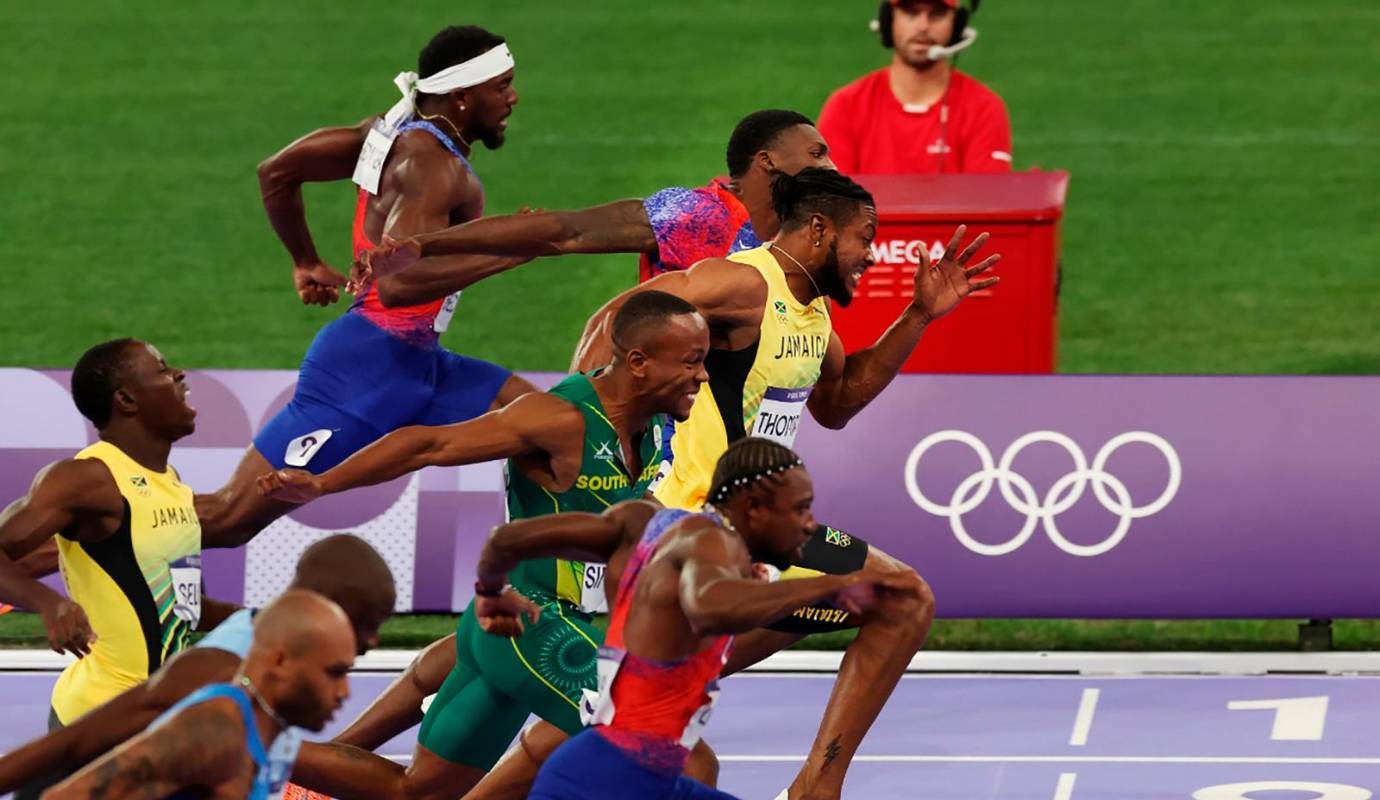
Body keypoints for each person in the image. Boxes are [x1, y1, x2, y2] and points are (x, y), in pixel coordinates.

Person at [563, 167, 995, 799]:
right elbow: (623, 314)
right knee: (623, 740)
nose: (872, 256)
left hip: (758, 537)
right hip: (690, 533)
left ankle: (815, 788)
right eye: (864, 238)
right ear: (819, 230)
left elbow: (839, 402)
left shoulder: (813, 315)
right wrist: (591, 427)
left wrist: (918, 316)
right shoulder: (743, 283)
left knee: (901, 599)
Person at [256, 291, 712, 799]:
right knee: (679, 755)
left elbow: (628, 515)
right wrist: (323, 484)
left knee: (417, 792)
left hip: (538, 629)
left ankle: (254, 747)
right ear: (639, 362)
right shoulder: (560, 419)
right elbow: (428, 444)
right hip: (529, 623)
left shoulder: (654, 427)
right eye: (692, 362)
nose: (704, 375)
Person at [195, 24, 538, 550]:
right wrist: (510, 252)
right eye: (502, 87)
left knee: (546, 427)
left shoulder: (387, 131)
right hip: (367, 369)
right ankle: (46, 548)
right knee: (226, 519)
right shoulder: (433, 166)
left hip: (419, 362)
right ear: (464, 97)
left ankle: (537, 581)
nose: (512, 98)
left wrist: (306, 261)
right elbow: (400, 289)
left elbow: (277, 173)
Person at [473, 438, 902, 800]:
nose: (811, 525)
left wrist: (491, 593)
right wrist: (830, 585)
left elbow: (505, 539)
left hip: (628, 776)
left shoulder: (642, 522)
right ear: (754, 508)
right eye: (801, 509)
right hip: (606, 783)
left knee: (701, 766)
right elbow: (708, 606)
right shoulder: (711, 545)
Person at [0, 339, 236, 800]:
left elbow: (181, 606)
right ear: (125, 400)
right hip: (97, 725)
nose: (180, 375)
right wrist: (49, 604)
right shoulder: (85, 479)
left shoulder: (173, 487)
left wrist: (265, 622)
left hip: (159, 721)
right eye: (164, 370)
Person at [0, 534, 396, 798]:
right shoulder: (219, 681)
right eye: (366, 622)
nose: (372, 640)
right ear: (320, 607)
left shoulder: (280, 680)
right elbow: (77, 743)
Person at [362, 108, 835, 289]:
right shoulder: (703, 215)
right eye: (817, 153)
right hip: (662, 448)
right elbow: (568, 230)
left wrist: (914, 315)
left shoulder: (791, 240)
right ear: (767, 160)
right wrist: (425, 245)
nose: (830, 167)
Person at [43, 589, 357, 800]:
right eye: (333, 673)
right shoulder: (210, 735)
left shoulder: (276, 739)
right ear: (279, 662)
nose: (345, 692)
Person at [817, 0, 1012, 174]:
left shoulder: (983, 108)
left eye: (936, 14)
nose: (923, 26)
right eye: (911, 13)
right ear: (888, 21)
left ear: (958, 25)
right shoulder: (846, 106)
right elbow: (831, 202)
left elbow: (987, 202)